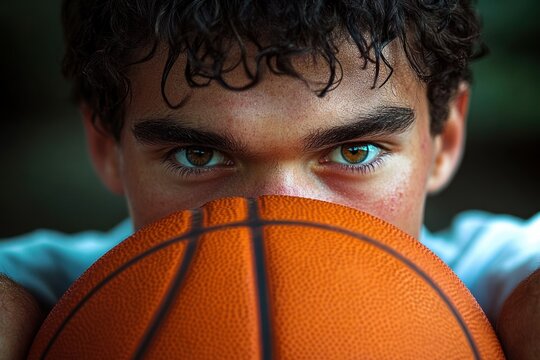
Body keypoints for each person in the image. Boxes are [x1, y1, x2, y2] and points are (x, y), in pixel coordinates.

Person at [0, 0, 538, 358]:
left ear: (444, 138)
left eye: (355, 151)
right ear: (106, 148)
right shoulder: (47, 290)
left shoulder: (503, 273)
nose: (281, 215)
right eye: (197, 156)